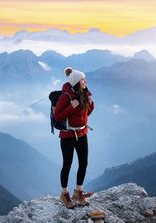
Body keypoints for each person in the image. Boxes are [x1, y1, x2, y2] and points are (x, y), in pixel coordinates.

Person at [54, 67, 94, 209]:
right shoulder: (66, 96)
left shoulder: (83, 93)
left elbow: (86, 114)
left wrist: (90, 102)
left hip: (82, 133)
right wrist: (70, 106)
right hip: (68, 135)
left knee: (84, 163)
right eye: (83, 79)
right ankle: (64, 194)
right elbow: (57, 116)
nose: (85, 81)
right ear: (77, 81)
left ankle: (78, 192)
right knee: (67, 164)